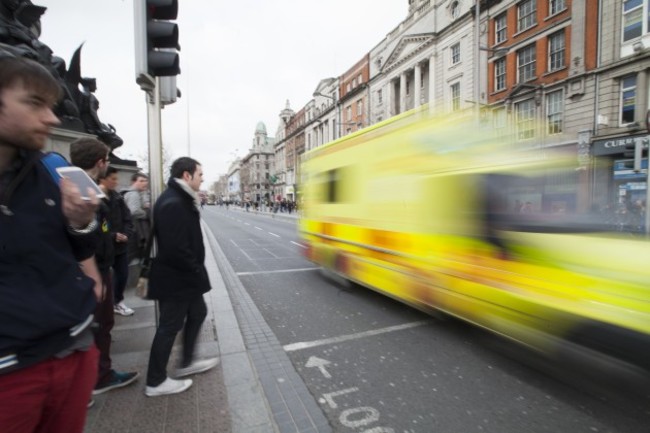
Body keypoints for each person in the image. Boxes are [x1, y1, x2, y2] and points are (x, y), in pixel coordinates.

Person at [0, 55, 100, 433]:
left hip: (70, 347)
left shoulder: (48, 169)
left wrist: (80, 223)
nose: (52, 118)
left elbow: (78, 249)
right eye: (33, 103)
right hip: (9, 371)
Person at [69, 138, 139, 395]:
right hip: (94, 269)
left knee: (96, 325)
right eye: (107, 161)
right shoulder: (85, 193)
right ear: (100, 163)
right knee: (98, 325)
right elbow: (86, 235)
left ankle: (92, 376)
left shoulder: (83, 189)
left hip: (98, 266)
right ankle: (97, 376)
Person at [145, 157, 219, 397]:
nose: (202, 178)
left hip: (183, 277)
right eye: (200, 174)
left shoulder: (178, 198)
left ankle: (187, 362)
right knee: (169, 326)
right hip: (178, 278)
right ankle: (155, 381)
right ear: (187, 176)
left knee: (198, 313)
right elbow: (176, 247)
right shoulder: (175, 202)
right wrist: (196, 269)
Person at [99, 166, 135, 316]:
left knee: (123, 274)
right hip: (104, 247)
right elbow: (98, 224)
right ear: (102, 179)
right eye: (113, 179)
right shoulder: (96, 199)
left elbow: (128, 218)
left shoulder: (118, 198)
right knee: (104, 279)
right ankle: (105, 306)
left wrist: (125, 233)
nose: (116, 182)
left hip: (120, 246)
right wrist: (113, 235)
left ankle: (117, 301)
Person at [123, 172, 150, 261]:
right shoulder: (133, 194)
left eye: (146, 181)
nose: (145, 183)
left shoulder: (136, 193)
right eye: (141, 181)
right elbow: (134, 211)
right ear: (133, 182)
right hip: (134, 232)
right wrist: (146, 213)